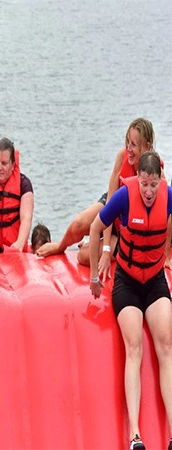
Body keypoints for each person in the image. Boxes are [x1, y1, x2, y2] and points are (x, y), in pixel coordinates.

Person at [89, 152, 172, 450]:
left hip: (154, 280)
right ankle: (135, 434)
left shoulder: (168, 195)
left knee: (166, 345)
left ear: (160, 182)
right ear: (138, 179)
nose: (149, 192)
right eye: (145, 185)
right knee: (133, 346)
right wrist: (96, 279)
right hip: (126, 281)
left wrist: (167, 258)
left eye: (153, 185)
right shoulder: (124, 197)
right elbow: (95, 228)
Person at [37, 118, 158, 281]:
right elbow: (110, 203)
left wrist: (165, 256)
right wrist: (106, 249)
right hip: (113, 207)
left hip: (128, 230)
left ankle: (92, 244)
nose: (128, 149)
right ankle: (60, 246)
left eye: (134, 145)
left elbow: (166, 213)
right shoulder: (122, 156)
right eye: (127, 142)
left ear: (148, 146)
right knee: (79, 224)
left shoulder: (155, 173)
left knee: (82, 257)